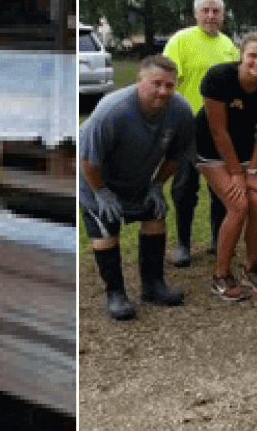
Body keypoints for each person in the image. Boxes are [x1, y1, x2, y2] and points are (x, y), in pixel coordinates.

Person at [78, 57, 196, 321]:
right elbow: (88, 160)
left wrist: (156, 185)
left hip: (139, 180)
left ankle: (153, 286)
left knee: (155, 217)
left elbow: (176, 156)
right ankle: (116, 294)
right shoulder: (113, 110)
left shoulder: (180, 111)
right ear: (139, 81)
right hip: (96, 180)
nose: (164, 91)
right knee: (107, 228)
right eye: (156, 84)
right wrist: (101, 193)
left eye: (169, 85)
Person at [196, 33, 257, 300]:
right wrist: (236, 173)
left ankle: (252, 267)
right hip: (211, 147)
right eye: (253, 56)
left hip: (247, 148)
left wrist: (251, 170)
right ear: (241, 56)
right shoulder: (218, 78)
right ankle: (221, 275)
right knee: (238, 205)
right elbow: (218, 130)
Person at [161, 0, 239, 267]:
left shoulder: (229, 45)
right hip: (186, 126)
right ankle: (183, 243)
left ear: (222, 15)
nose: (210, 16)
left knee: (220, 187)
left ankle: (218, 238)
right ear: (195, 14)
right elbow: (168, 83)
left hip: (219, 129)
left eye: (216, 11)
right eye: (205, 11)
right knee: (184, 187)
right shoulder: (180, 41)